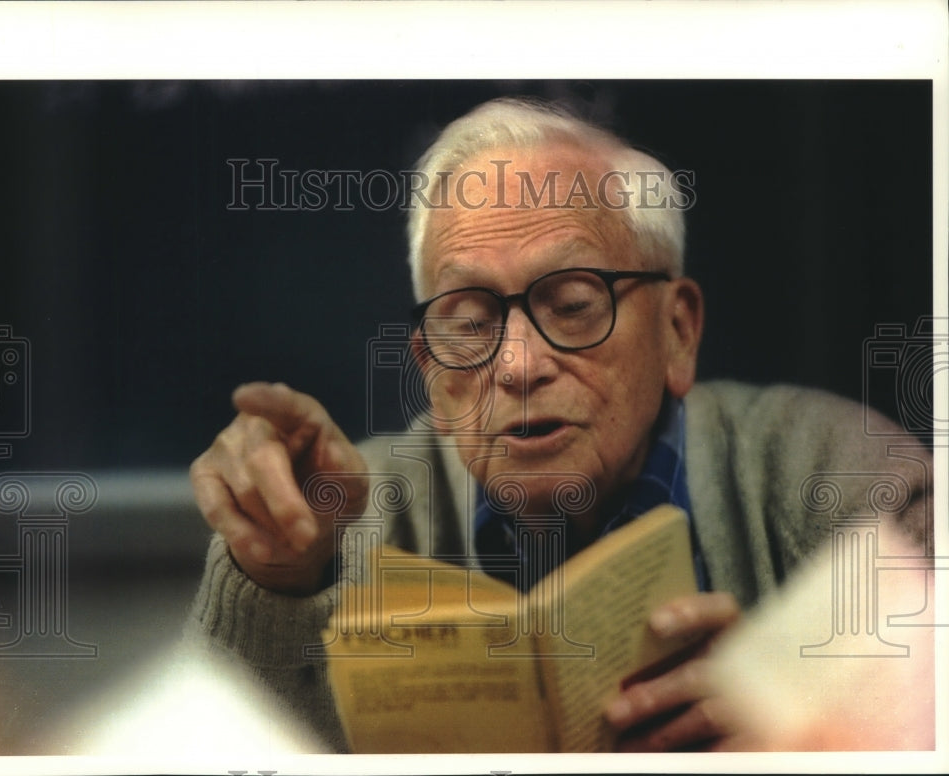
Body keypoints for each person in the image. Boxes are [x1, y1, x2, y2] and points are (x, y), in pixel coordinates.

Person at [186, 97, 931, 752]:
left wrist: (811, 732)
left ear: (677, 332)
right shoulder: (340, 520)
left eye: (572, 304)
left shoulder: (837, 476)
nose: (516, 365)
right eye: (470, 322)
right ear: (431, 376)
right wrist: (277, 582)